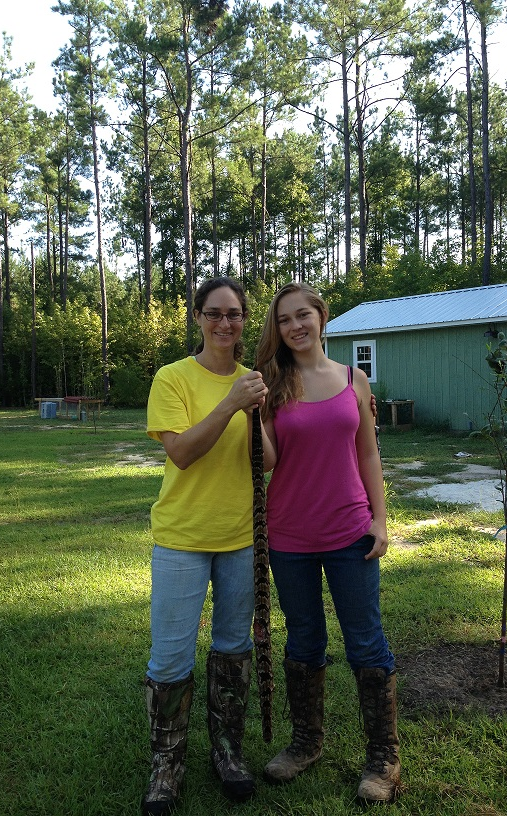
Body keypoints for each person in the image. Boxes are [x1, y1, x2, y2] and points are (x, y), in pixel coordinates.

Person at [256, 281, 400, 806]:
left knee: (366, 641)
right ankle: (306, 743)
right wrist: (252, 415)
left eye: (303, 315)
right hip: (289, 534)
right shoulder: (272, 383)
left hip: (349, 533)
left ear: (320, 316)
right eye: (284, 320)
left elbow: (368, 454)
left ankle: (383, 756)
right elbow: (268, 461)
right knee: (303, 640)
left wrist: (380, 520)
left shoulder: (353, 379)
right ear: (277, 330)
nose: (295, 326)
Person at [142, 277, 274, 815]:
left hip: (241, 538)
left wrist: (253, 410)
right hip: (182, 537)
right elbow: (182, 453)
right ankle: (166, 765)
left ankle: (227, 751)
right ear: (197, 316)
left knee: (233, 649)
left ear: (244, 320)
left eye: (234, 313)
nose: (225, 323)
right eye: (214, 313)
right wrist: (229, 405)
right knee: (171, 654)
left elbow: (269, 460)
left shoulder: (253, 382)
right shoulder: (173, 378)